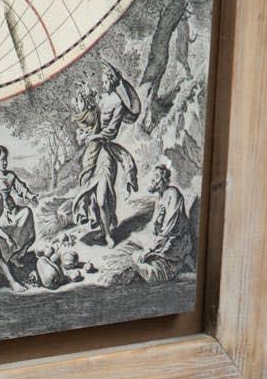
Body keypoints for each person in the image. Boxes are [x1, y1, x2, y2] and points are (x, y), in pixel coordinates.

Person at [72, 61, 142, 246]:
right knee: (94, 199)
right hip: (93, 153)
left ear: (112, 81)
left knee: (102, 198)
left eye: (105, 81)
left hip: (106, 154)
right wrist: (85, 130)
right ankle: (103, 230)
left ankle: (110, 234)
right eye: (102, 81)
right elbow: (91, 120)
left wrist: (93, 137)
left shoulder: (118, 103)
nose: (103, 84)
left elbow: (111, 131)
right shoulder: (101, 100)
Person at [133, 163, 194, 283]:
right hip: (162, 241)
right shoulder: (159, 199)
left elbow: (168, 227)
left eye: (156, 177)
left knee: (150, 270)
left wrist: (149, 250)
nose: (153, 180)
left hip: (175, 242)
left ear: (164, 180)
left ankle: (179, 264)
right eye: (153, 177)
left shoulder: (173, 194)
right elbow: (154, 226)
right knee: (136, 256)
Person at [0, 146, 38, 267]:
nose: (5, 162)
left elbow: (20, 188)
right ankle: (7, 256)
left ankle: (16, 254)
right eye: (2, 160)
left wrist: (30, 196)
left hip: (12, 210)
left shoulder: (10, 176)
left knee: (27, 212)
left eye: (6, 159)